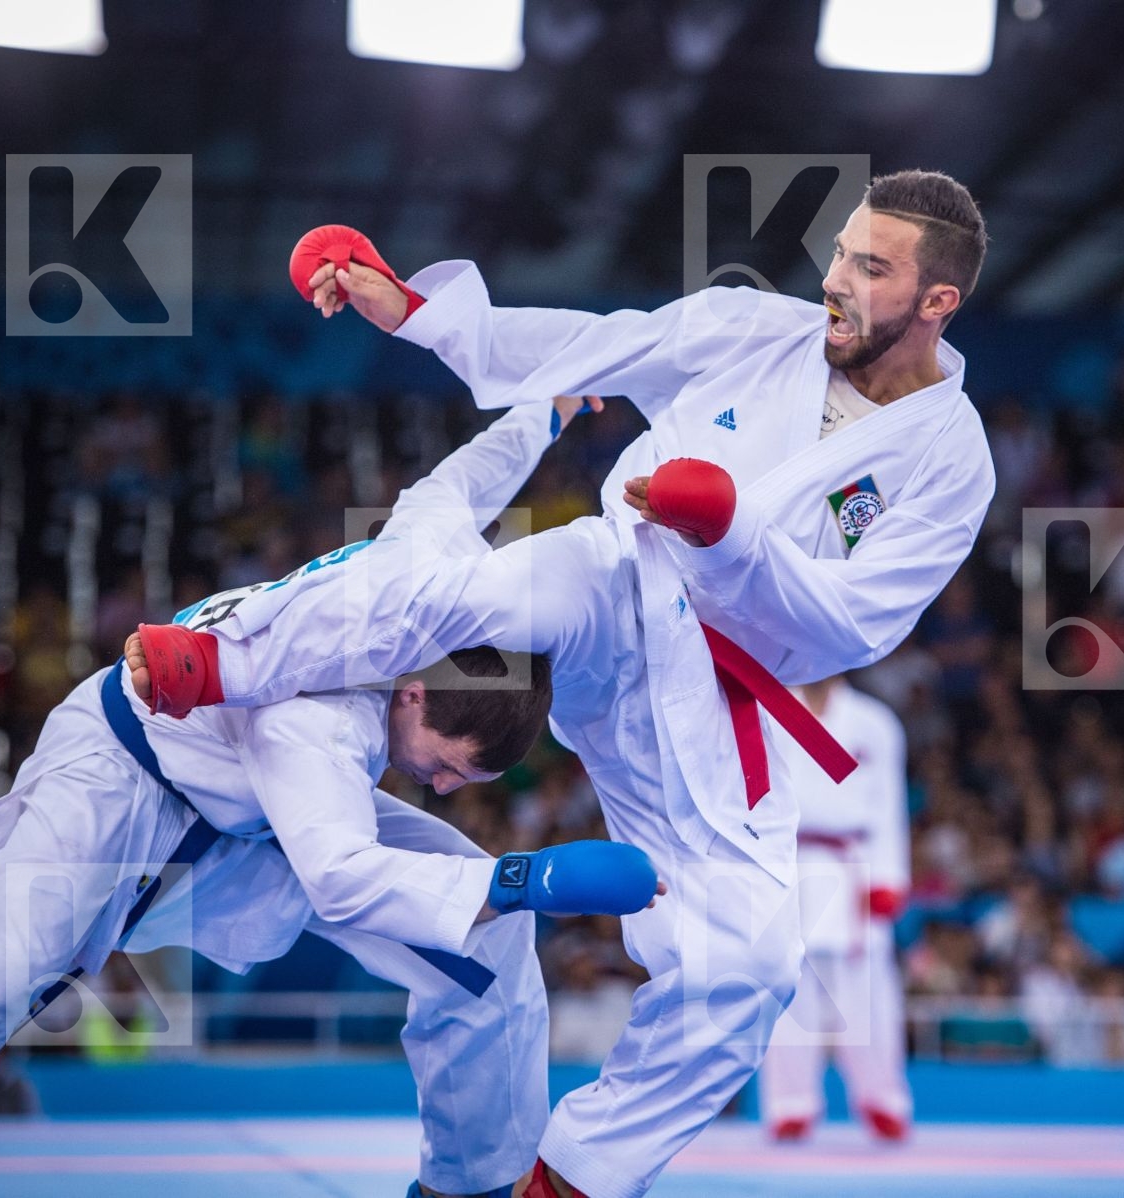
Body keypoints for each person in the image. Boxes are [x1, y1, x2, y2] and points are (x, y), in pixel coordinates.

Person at [132, 169, 994, 1198]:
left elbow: (855, 622)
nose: (837, 278)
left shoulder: (951, 461)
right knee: (460, 590)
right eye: (842, 250)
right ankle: (221, 660)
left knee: (752, 966)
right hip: (614, 578)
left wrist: (730, 533)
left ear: (938, 300)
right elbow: (597, 344)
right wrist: (418, 314)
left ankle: (574, 1176)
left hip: (716, 696)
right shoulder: (758, 329)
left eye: (871, 266)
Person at [0, 399, 661, 1198]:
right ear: (415, 693)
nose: (445, 788)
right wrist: (523, 877)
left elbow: (460, 482)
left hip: (244, 819)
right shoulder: (322, 722)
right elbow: (340, 875)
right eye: (449, 766)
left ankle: (469, 1186)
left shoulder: (425, 573)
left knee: (488, 942)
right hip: (116, 791)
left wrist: (542, 414)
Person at [756, 675, 913, 1143]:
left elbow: (890, 804)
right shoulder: (768, 712)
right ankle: (790, 1102)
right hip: (788, 861)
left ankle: (883, 1097)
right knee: (786, 989)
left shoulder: (873, 722)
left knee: (869, 992)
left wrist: (889, 876)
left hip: (854, 866)